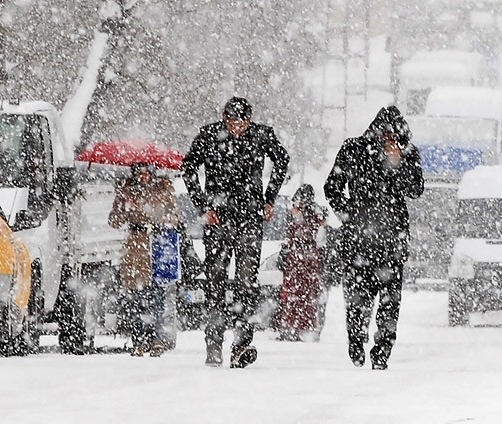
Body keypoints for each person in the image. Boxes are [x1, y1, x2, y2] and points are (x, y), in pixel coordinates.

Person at [182, 96, 290, 368]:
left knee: (246, 283)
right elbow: (189, 168)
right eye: (230, 121)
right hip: (218, 219)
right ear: (224, 118)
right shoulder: (209, 135)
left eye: (240, 122)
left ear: (249, 121)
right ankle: (214, 343)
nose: (235, 127)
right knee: (215, 283)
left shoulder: (261, 135)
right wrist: (203, 206)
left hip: (249, 217)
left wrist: (269, 197)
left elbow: (282, 160)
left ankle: (241, 344)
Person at [324, 105, 424, 370]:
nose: (389, 140)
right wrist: (349, 216)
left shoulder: (408, 154)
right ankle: (356, 341)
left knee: (390, 302)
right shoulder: (354, 149)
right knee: (357, 299)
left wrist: (398, 162)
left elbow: (416, 189)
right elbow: (332, 187)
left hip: (392, 241)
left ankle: (382, 352)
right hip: (358, 241)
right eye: (386, 135)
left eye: (395, 136)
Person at [108, 163, 179, 357]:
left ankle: (156, 338)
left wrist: (165, 216)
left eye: (146, 172)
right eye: (139, 172)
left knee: (157, 295)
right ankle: (138, 339)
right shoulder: (126, 191)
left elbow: (174, 218)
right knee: (135, 297)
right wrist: (125, 207)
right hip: (135, 248)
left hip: (157, 245)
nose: (143, 176)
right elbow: (114, 221)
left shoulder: (163, 189)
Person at [277, 184, 327, 342]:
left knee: (300, 294)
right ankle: (295, 326)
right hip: (299, 260)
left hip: (303, 260)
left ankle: (298, 326)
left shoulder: (310, 218)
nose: (294, 206)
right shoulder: (303, 218)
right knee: (297, 294)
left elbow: (318, 240)